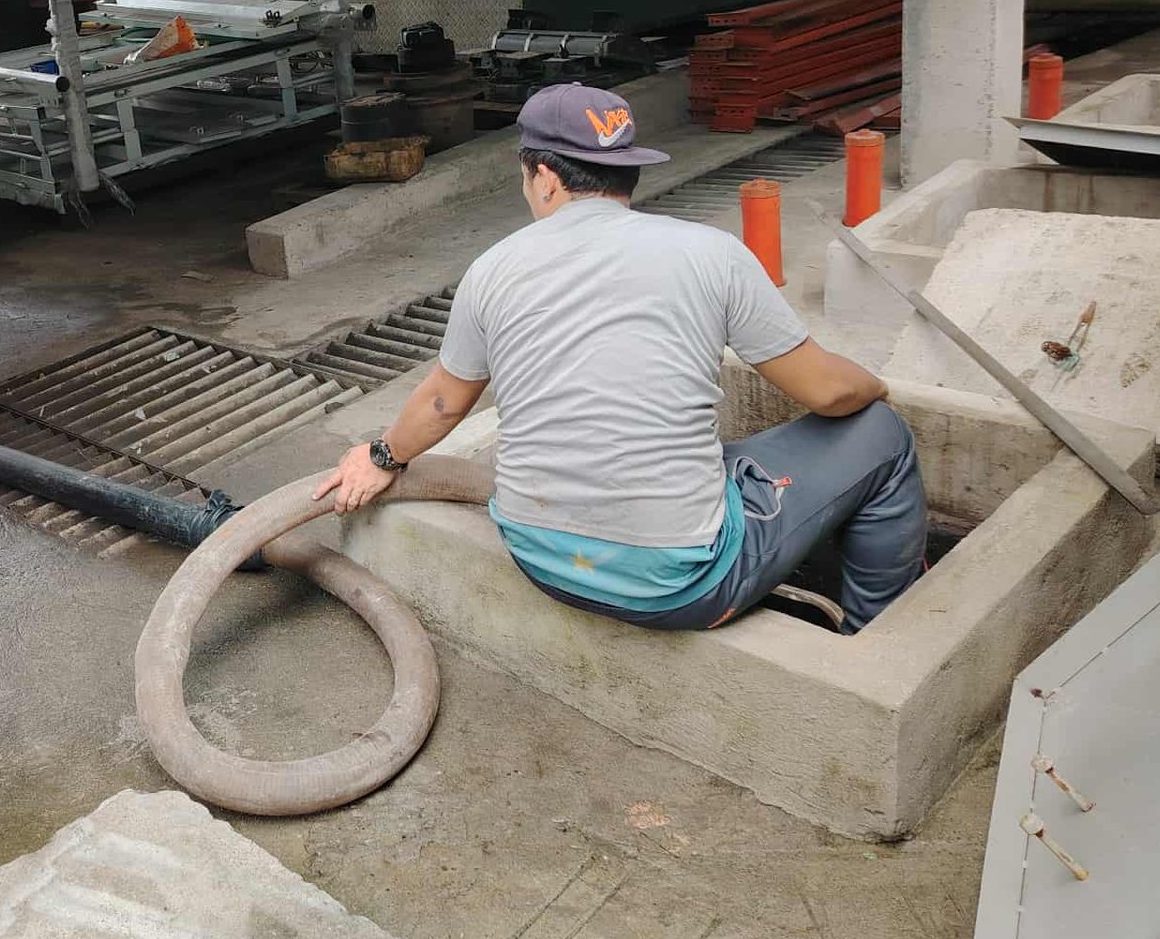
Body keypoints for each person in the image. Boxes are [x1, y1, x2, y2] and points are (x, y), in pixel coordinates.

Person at [316, 83, 924, 635]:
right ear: (627, 171)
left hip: (541, 561)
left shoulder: (491, 269)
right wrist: (878, 388)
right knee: (883, 433)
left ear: (544, 178)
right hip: (682, 587)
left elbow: (444, 402)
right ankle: (875, 639)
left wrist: (380, 457)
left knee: (725, 456)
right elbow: (830, 394)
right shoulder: (710, 253)